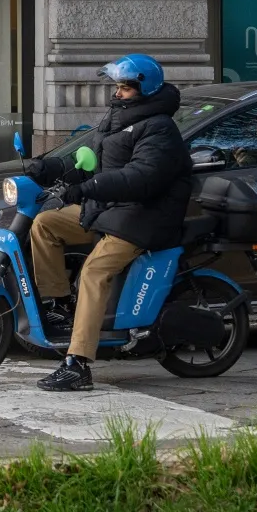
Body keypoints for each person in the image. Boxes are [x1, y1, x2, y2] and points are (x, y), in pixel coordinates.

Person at [23, 52, 192, 392]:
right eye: (117, 87)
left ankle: (78, 364)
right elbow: (89, 156)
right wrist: (51, 167)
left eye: (124, 88)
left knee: (94, 272)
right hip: (111, 208)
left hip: (143, 216)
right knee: (45, 225)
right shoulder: (120, 117)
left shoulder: (159, 128)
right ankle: (61, 305)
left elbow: (140, 177)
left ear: (144, 89)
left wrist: (88, 188)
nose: (117, 93)